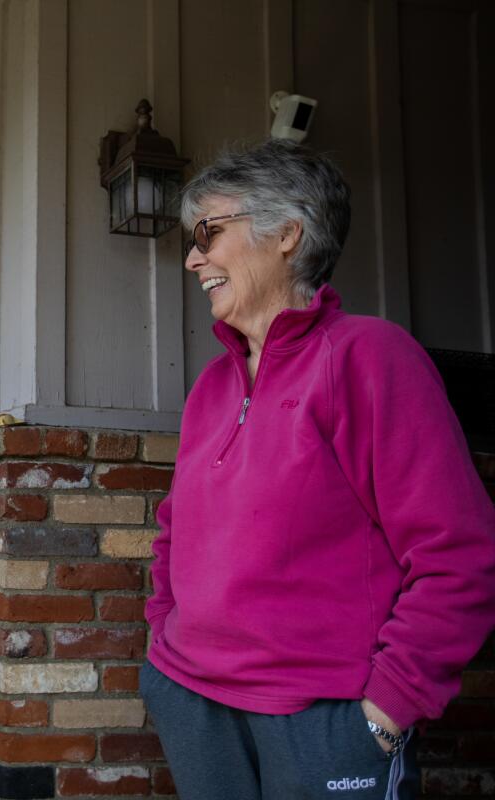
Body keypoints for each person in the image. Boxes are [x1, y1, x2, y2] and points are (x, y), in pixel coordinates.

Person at [141, 139, 495, 799]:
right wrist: (162, 651)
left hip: (322, 718)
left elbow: (459, 553)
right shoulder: (211, 386)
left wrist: (384, 717)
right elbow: (174, 530)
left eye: (208, 233)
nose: (193, 258)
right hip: (193, 699)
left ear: (286, 234)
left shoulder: (369, 358)